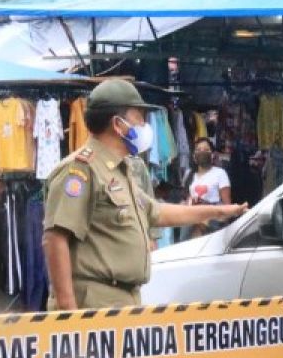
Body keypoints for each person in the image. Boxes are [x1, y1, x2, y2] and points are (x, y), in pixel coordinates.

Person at [42, 79, 248, 310]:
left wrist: (219, 210)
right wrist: (68, 310)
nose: (144, 126)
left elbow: (156, 212)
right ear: (117, 124)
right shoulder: (81, 170)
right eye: (139, 119)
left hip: (125, 300)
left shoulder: (123, 169)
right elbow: (56, 238)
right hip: (92, 303)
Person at [188, 138, 231, 237]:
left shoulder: (220, 173)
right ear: (194, 156)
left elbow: (227, 206)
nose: (202, 152)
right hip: (193, 218)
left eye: (206, 150)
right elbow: (188, 200)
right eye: (198, 150)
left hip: (213, 221)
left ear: (212, 155)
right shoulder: (190, 176)